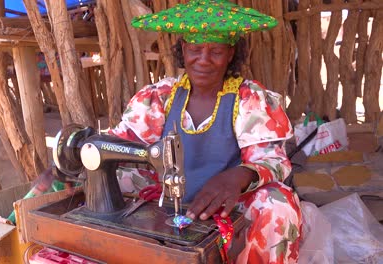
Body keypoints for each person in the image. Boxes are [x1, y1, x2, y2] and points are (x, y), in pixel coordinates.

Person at [108, 0, 302, 263]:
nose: (204, 60)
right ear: (183, 51)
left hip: (230, 205)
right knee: (110, 177)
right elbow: (120, 143)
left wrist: (239, 176)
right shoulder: (161, 96)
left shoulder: (248, 99)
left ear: (231, 53)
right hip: (169, 199)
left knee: (278, 202)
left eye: (216, 51)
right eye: (195, 49)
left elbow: (274, 162)